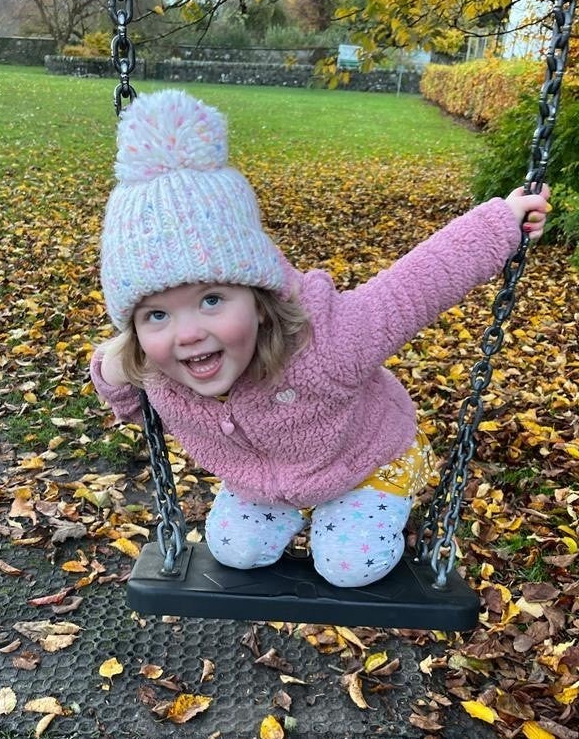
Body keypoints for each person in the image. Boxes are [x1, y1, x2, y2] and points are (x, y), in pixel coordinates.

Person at [90, 89, 550, 588]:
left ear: (260, 299)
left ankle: (359, 508)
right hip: (268, 481)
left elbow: (417, 285)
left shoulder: (328, 339)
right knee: (234, 551)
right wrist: (112, 367)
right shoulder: (158, 372)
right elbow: (123, 392)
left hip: (368, 457)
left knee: (349, 565)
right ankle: (301, 509)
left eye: (212, 300)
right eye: (156, 314)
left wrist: (501, 223)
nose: (188, 334)